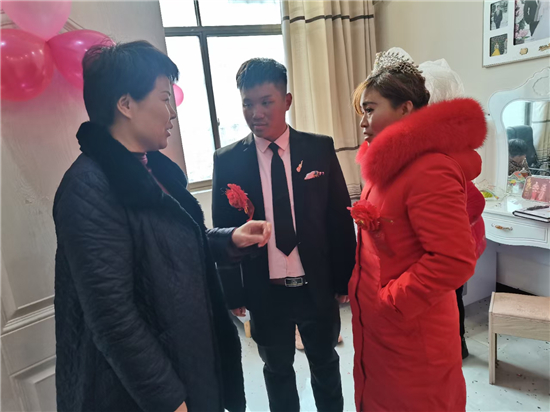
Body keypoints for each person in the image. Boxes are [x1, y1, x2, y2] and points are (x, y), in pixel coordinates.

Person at [53, 41, 272, 412]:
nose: (172, 113)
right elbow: (112, 318)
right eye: (164, 98)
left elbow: (166, 250)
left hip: (188, 364)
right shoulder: (88, 187)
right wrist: (168, 400)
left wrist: (228, 240)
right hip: (138, 393)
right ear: (126, 104)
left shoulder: (149, 168)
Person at [212, 58, 356, 412]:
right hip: (265, 292)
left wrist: (344, 278)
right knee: (276, 371)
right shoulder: (228, 160)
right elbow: (223, 233)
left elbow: (339, 218)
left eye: (266, 102)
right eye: (247, 103)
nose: (256, 113)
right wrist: (232, 292)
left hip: (316, 286)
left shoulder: (319, 148)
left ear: (287, 100)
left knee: (326, 365)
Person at [349, 51, 486, 411]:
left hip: (411, 329)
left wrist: (391, 301)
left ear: (406, 108)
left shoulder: (429, 169)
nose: (363, 121)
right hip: (384, 330)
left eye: (370, 109)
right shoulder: (387, 166)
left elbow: (454, 260)